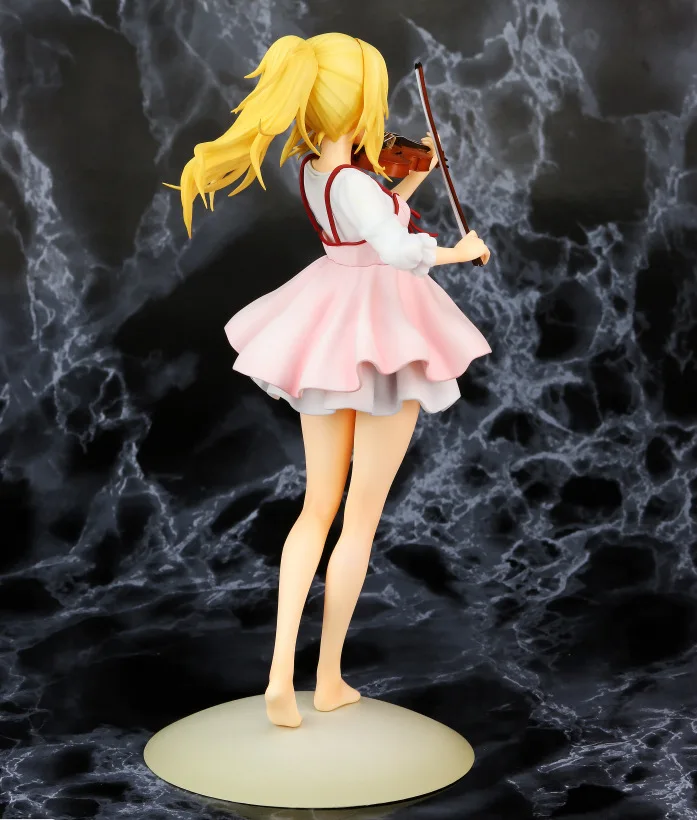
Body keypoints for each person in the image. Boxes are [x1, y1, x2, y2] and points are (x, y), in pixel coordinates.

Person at [171, 33, 492, 728]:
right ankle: (327, 678)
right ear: (358, 104)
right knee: (358, 520)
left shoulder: (316, 169)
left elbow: (368, 215)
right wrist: (459, 250)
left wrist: (413, 176)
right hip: (382, 329)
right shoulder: (354, 182)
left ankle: (279, 678)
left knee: (316, 508)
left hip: (328, 320)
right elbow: (396, 249)